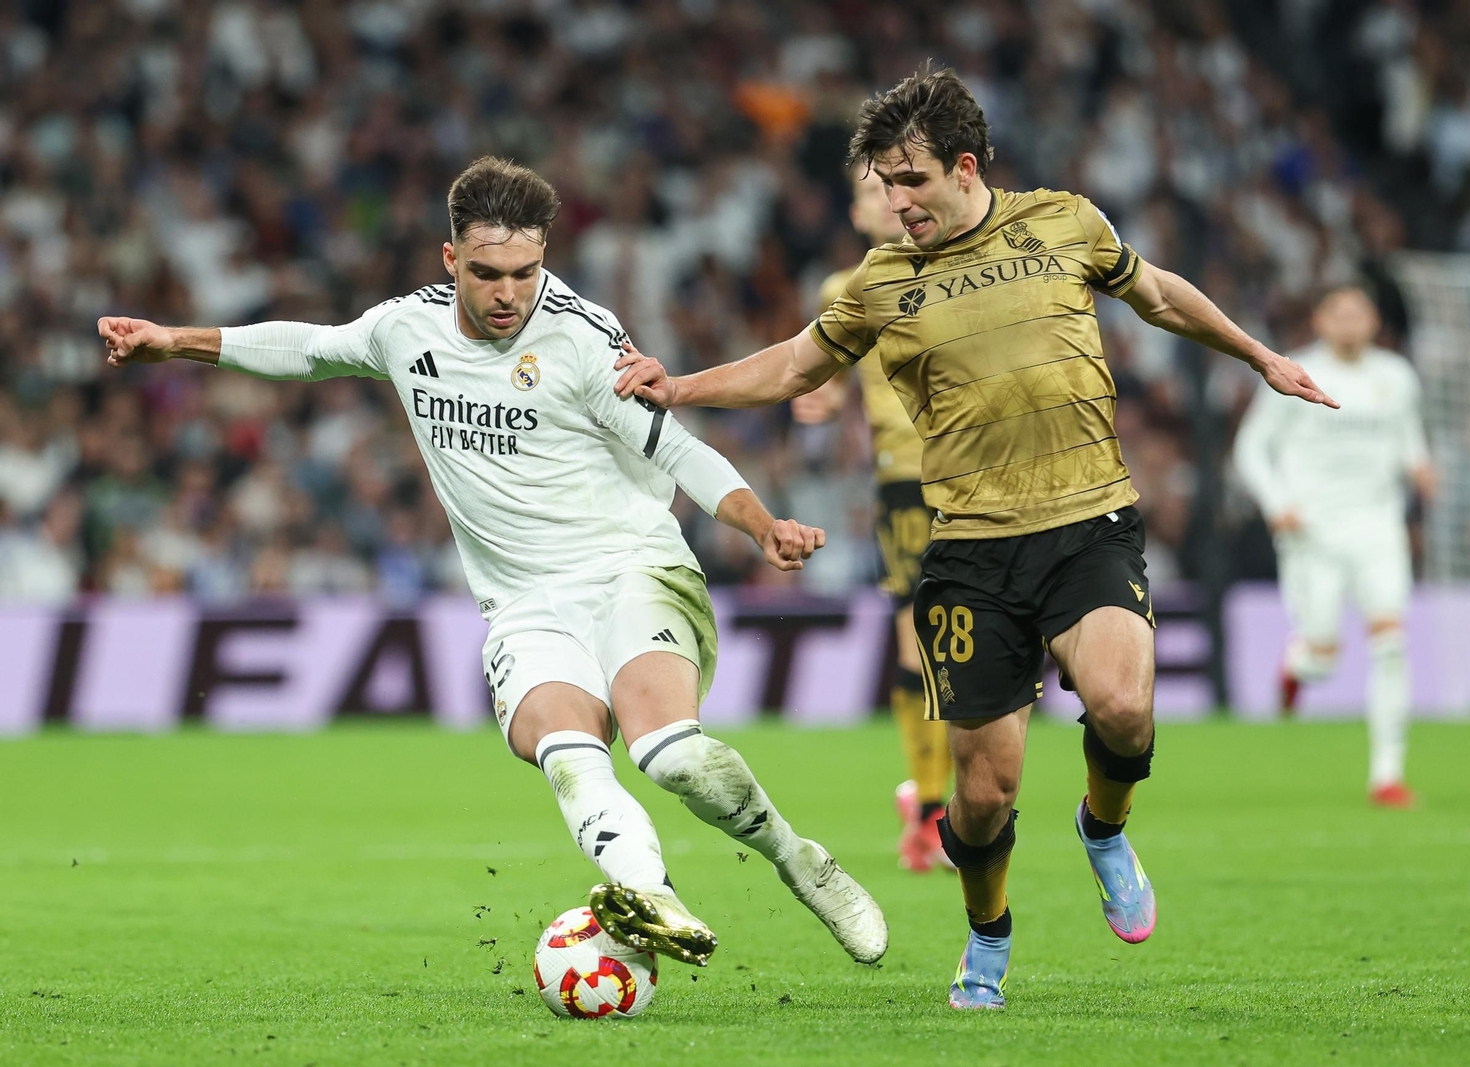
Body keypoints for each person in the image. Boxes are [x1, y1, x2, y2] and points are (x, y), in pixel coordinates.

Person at [612, 69, 1337, 1009]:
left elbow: (1157, 294)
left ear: (964, 166)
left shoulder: (1065, 223)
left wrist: (1258, 354)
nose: (894, 201)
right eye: (882, 180)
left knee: (1123, 707)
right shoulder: (879, 283)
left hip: (1088, 522)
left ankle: (1103, 828)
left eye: (910, 180)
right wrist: (684, 386)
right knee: (984, 796)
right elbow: (794, 366)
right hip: (973, 552)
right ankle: (987, 934)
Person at [97, 155, 887, 969]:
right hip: (522, 604)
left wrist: (762, 526)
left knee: (671, 755)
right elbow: (310, 349)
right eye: (488, 273)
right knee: (565, 749)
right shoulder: (408, 329)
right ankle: (649, 895)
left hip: (631, 568)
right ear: (451, 261)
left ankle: (801, 861)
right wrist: (174, 341)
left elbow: (678, 449)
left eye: (526, 271)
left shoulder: (583, 338)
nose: (511, 292)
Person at [792, 166, 952, 873]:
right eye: (869, 193)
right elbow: (820, 374)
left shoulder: (963, 269)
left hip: (985, 475)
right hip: (907, 485)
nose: (888, 200)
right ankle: (929, 810)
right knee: (920, 650)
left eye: (895, 188)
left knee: (981, 653)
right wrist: (821, 402)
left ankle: (945, 799)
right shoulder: (843, 291)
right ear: (857, 216)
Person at [1234, 285, 1433, 808]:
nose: (1349, 322)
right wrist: (1278, 503)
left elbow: (1408, 437)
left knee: (1390, 641)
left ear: (1374, 321)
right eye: (1338, 313)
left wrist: (1420, 466)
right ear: (1320, 320)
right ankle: (1298, 666)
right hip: (1312, 531)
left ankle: (1387, 774)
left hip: (1378, 527)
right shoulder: (1294, 371)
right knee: (1323, 656)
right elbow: (1251, 448)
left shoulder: (1396, 376)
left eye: (1359, 312)